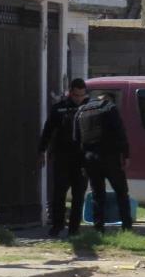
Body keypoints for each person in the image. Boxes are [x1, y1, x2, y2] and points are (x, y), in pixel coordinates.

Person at [74, 91, 133, 232]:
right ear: (108, 99)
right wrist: (126, 155)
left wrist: (82, 162)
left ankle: (98, 227)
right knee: (121, 191)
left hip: (90, 158)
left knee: (97, 194)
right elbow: (120, 132)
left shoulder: (81, 110)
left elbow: (76, 139)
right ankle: (126, 226)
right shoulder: (110, 108)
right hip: (110, 156)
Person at [37, 78, 89, 237]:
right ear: (70, 92)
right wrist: (42, 151)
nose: (78, 99)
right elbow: (48, 130)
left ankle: (74, 228)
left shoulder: (90, 109)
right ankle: (57, 225)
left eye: (81, 95)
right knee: (59, 194)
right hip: (62, 157)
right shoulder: (60, 108)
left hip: (83, 159)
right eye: (75, 95)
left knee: (79, 194)